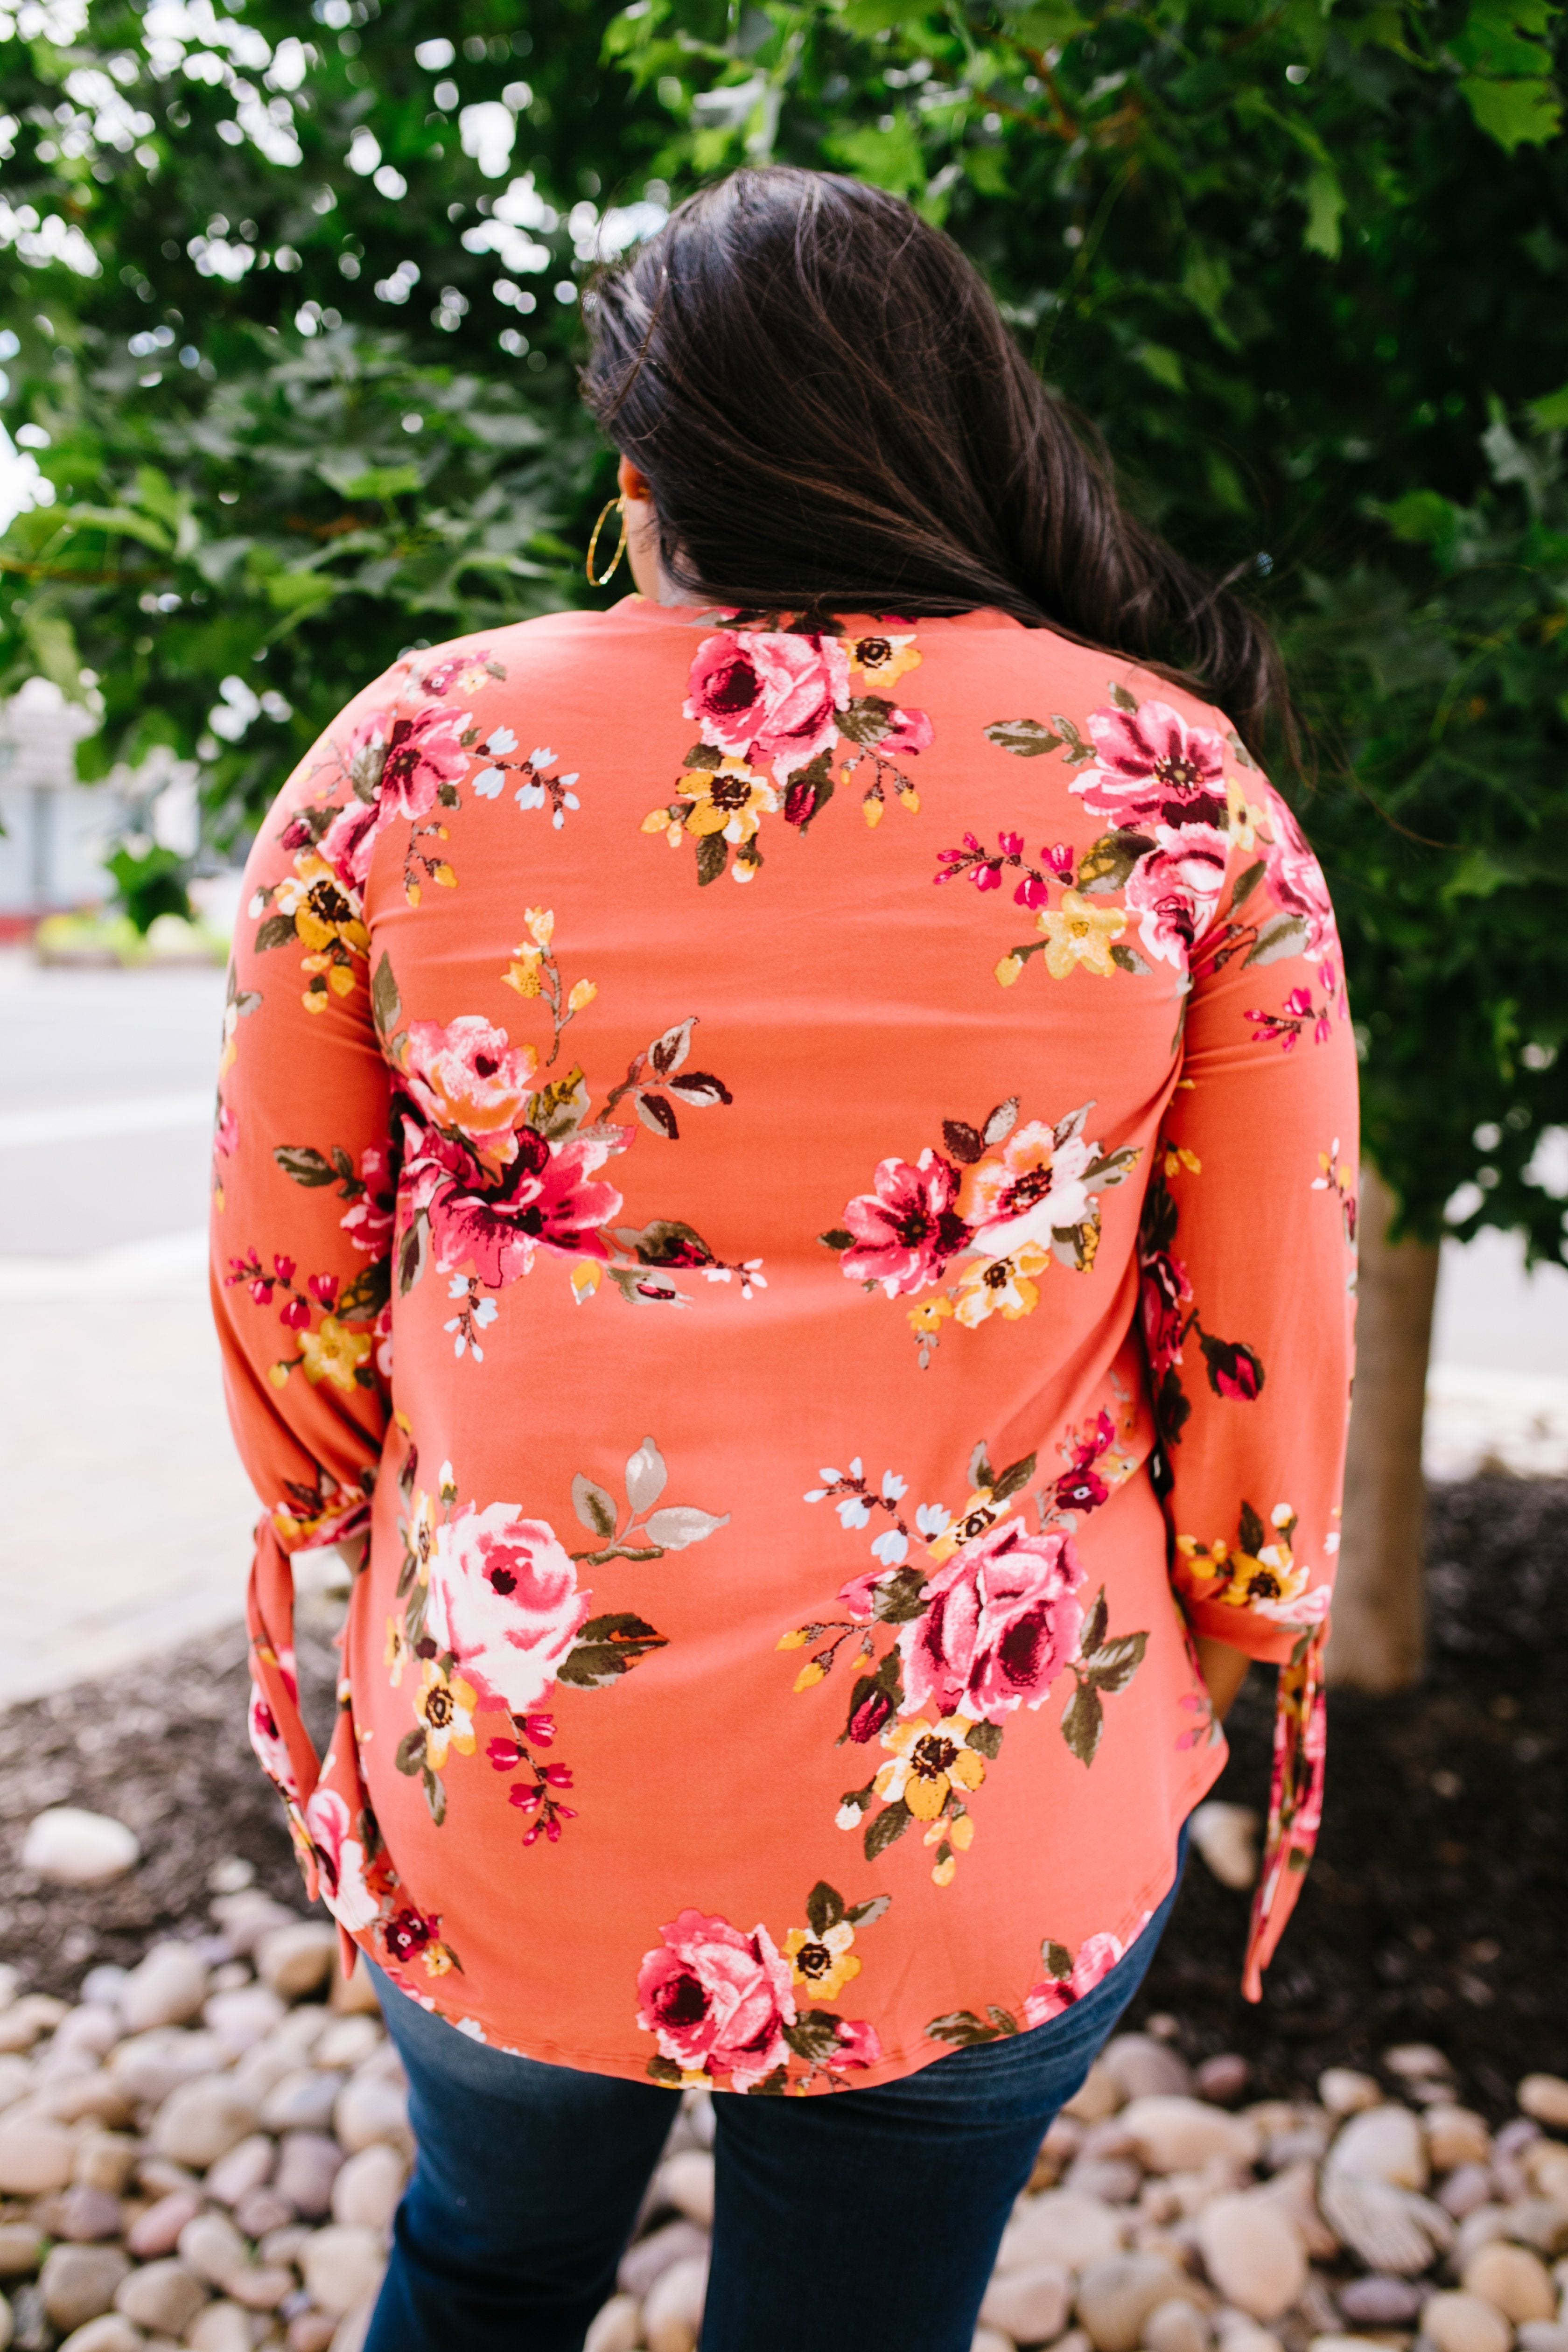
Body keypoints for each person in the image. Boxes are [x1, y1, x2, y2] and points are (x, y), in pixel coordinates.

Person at [211, 165, 1357, 2352]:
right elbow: (1270, 1333)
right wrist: (1238, 1610)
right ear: (956, 436)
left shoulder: (412, 750)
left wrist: (358, 1529)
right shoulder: (1173, 789)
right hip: (982, 1806)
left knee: (481, 2261)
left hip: (508, 1767)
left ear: (640, 483)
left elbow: (291, 1294)